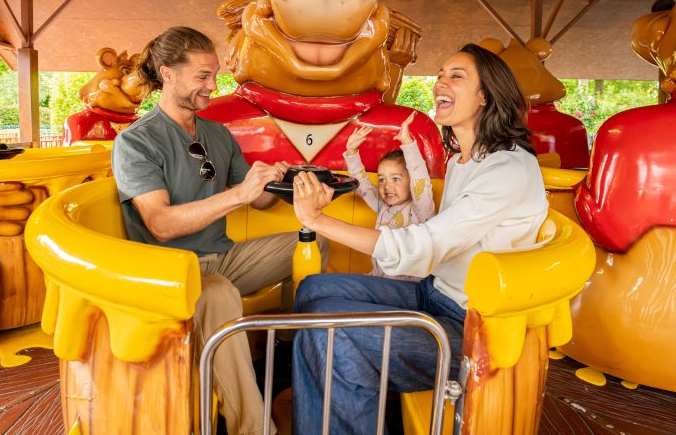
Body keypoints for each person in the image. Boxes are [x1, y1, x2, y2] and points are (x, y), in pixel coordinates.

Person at [289, 43, 548, 435]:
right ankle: (338, 397)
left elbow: (420, 246)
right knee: (312, 291)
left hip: (471, 330)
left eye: (455, 76)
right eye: (441, 74)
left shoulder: (508, 168)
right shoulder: (464, 160)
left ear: (485, 96)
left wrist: (317, 220)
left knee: (330, 335)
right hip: (433, 293)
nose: (440, 82)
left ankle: (339, 390)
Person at [112, 26, 317, 435]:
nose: (213, 85)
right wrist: (239, 193)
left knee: (312, 243)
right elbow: (161, 224)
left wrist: (278, 180)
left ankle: (296, 364)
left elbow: (257, 200)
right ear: (168, 74)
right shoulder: (137, 142)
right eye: (203, 76)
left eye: (215, 74)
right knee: (218, 292)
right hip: (173, 271)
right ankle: (253, 429)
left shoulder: (217, 134)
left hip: (222, 258)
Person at [343, 114, 435, 280]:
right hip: (380, 279)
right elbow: (361, 182)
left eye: (396, 179)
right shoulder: (382, 206)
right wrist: (351, 152)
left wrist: (407, 143)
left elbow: (419, 176)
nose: (387, 186)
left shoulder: (421, 209)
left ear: (410, 181)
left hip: (407, 286)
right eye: (382, 180)